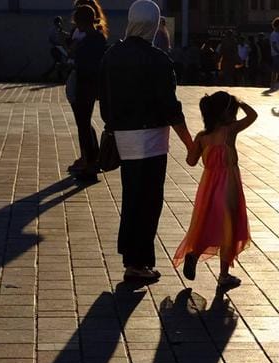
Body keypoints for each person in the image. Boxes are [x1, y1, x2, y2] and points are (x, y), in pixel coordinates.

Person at [101, 0, 192, 285]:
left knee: (132, 199)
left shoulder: (112, 55)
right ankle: (139, 263)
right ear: (153, 25)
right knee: (149, 201)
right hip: (151, 140)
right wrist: (190, 144)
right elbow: (170, 107)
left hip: (124, 139)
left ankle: (131, 258)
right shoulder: (158, 59)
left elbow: (104, 99)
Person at [176, 91, 255, 286]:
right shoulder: (230, 130)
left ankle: (194, 253)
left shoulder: (203, 137)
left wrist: (194, 146)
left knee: (207, 223)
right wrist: (240, 101)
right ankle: (223, 275)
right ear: (227, 113)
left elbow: (191, 161)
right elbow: (253, 116)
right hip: (229, 185)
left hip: (209, 187)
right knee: (229, 227)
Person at [66, 3, 106, 181]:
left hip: (85, 84)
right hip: (89, 84)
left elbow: (87, 63)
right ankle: (91, 160)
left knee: (83, 124)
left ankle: (90, 164)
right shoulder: (96, 37)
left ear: (81, 21)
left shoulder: (90, 39)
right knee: (84, 123)